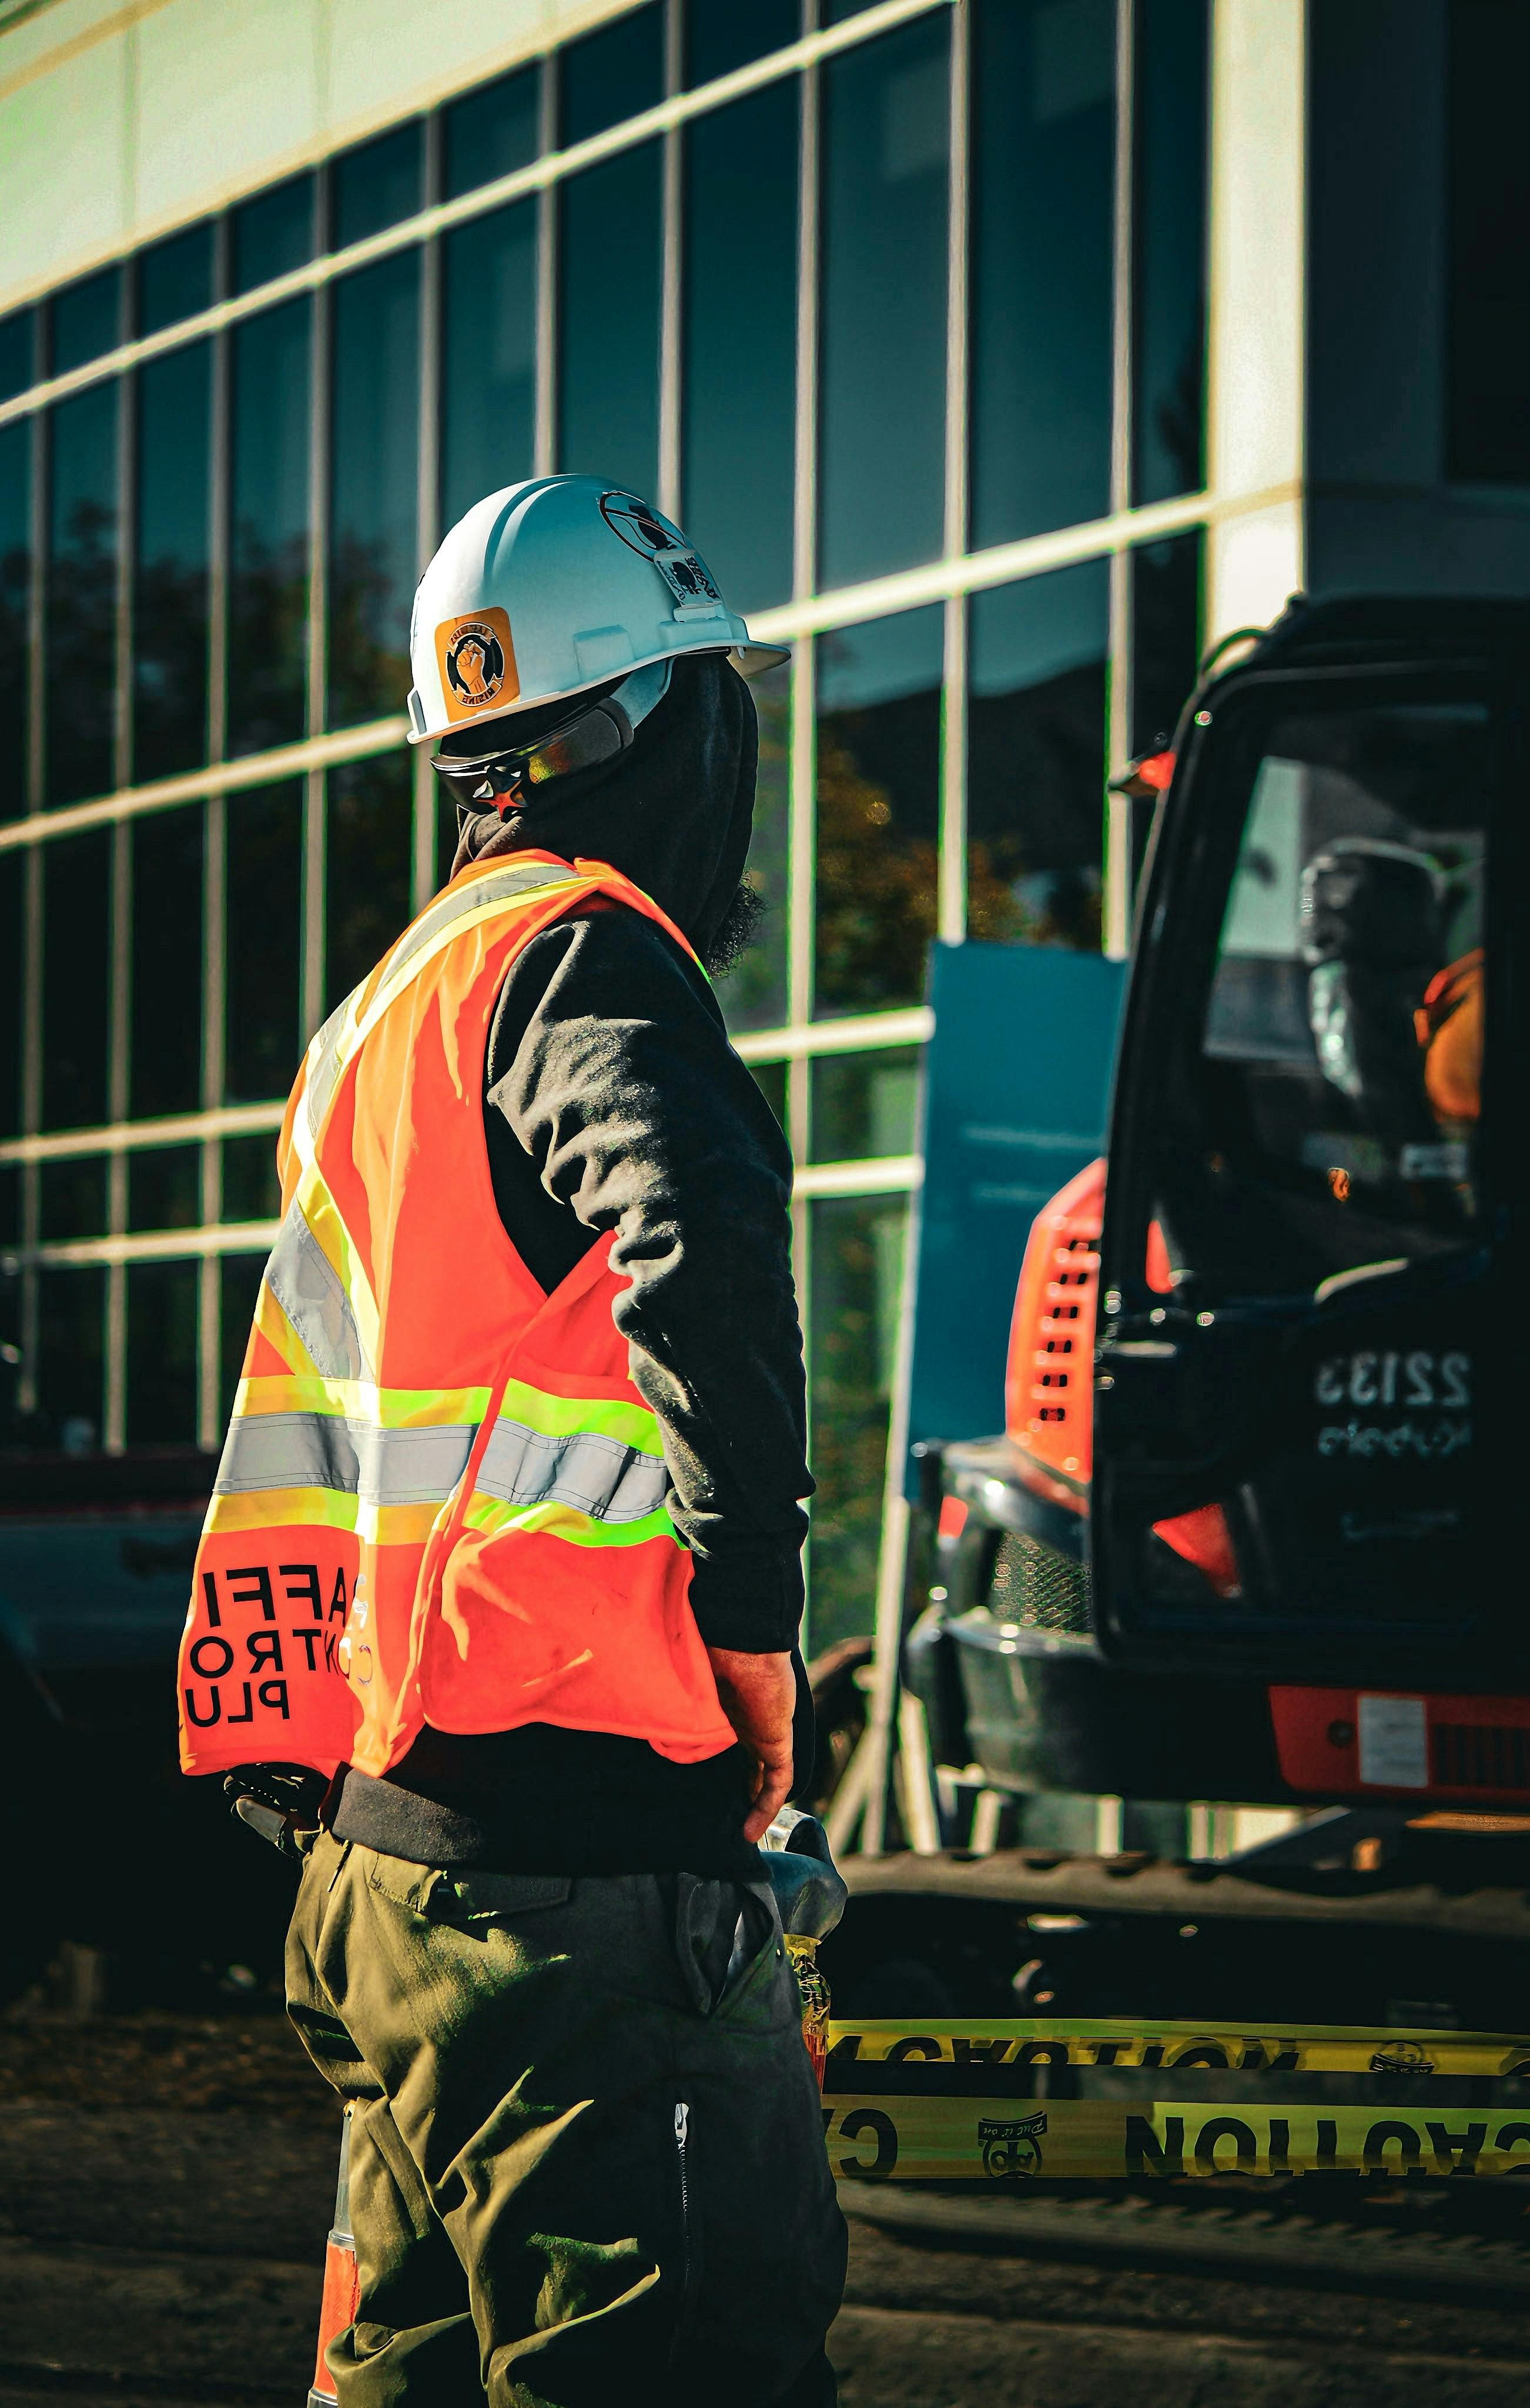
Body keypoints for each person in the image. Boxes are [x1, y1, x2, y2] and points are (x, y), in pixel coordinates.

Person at [175, 474, 846, 2404]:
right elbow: (696, 1232)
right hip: (574, 1877)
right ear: (658, 722)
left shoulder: (384, 1009)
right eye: (728, 700)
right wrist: (756, 1621)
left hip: (389, 1862)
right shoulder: (583, 957)